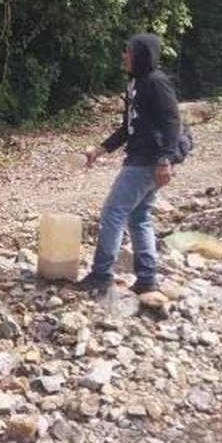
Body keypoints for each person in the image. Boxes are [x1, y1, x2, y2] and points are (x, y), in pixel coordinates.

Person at [78, 32, 183, 295]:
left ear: (141, 55)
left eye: (128, 51)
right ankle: (147, 278)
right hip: (142, 157)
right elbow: (128, 127)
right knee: (139, 216)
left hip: (148, 160)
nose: (124, 56)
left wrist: (165, 158)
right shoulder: (135, 84)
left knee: (113, 211)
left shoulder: (156, 82)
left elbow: (172, 121)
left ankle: (102, 273)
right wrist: (99, 150)